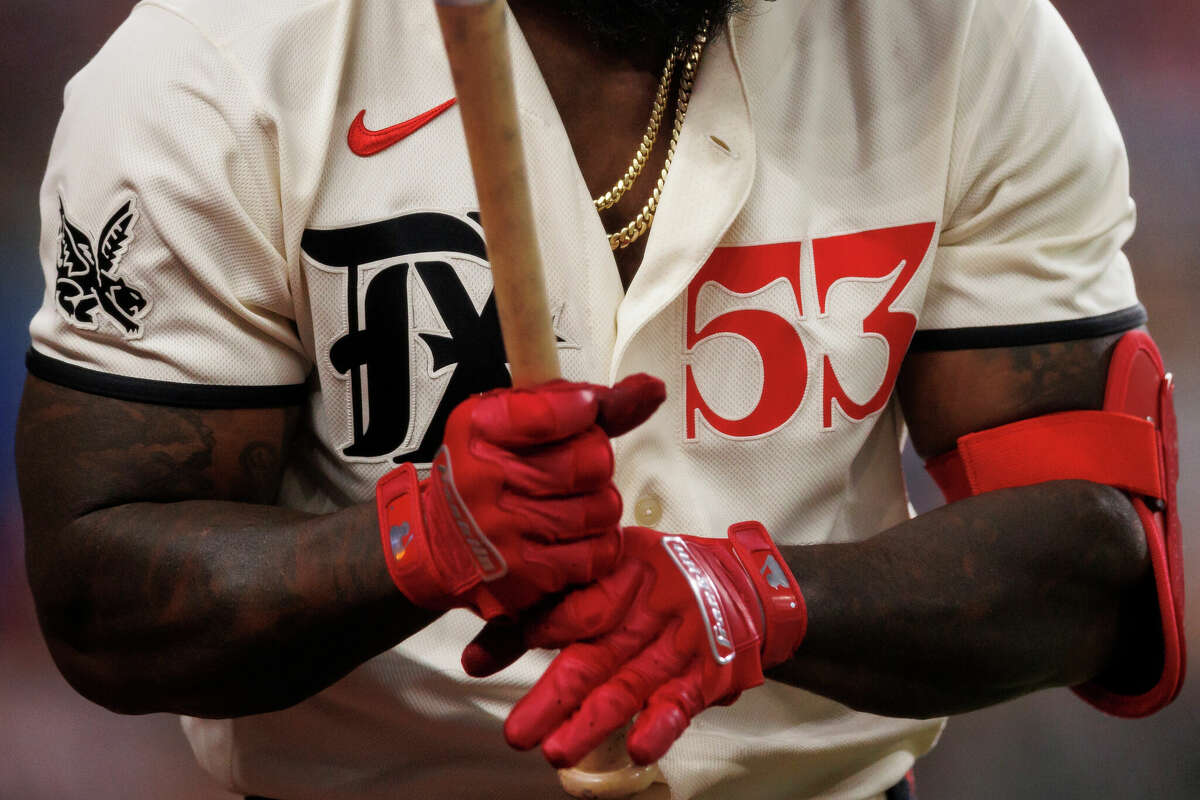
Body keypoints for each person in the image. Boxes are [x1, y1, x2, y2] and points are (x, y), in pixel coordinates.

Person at [16, 1, 1183, 798]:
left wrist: (755, 596)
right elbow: (102, 586)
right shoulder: (213, 57)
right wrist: (420, 540)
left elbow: (1097, 558)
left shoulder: (962, 33)